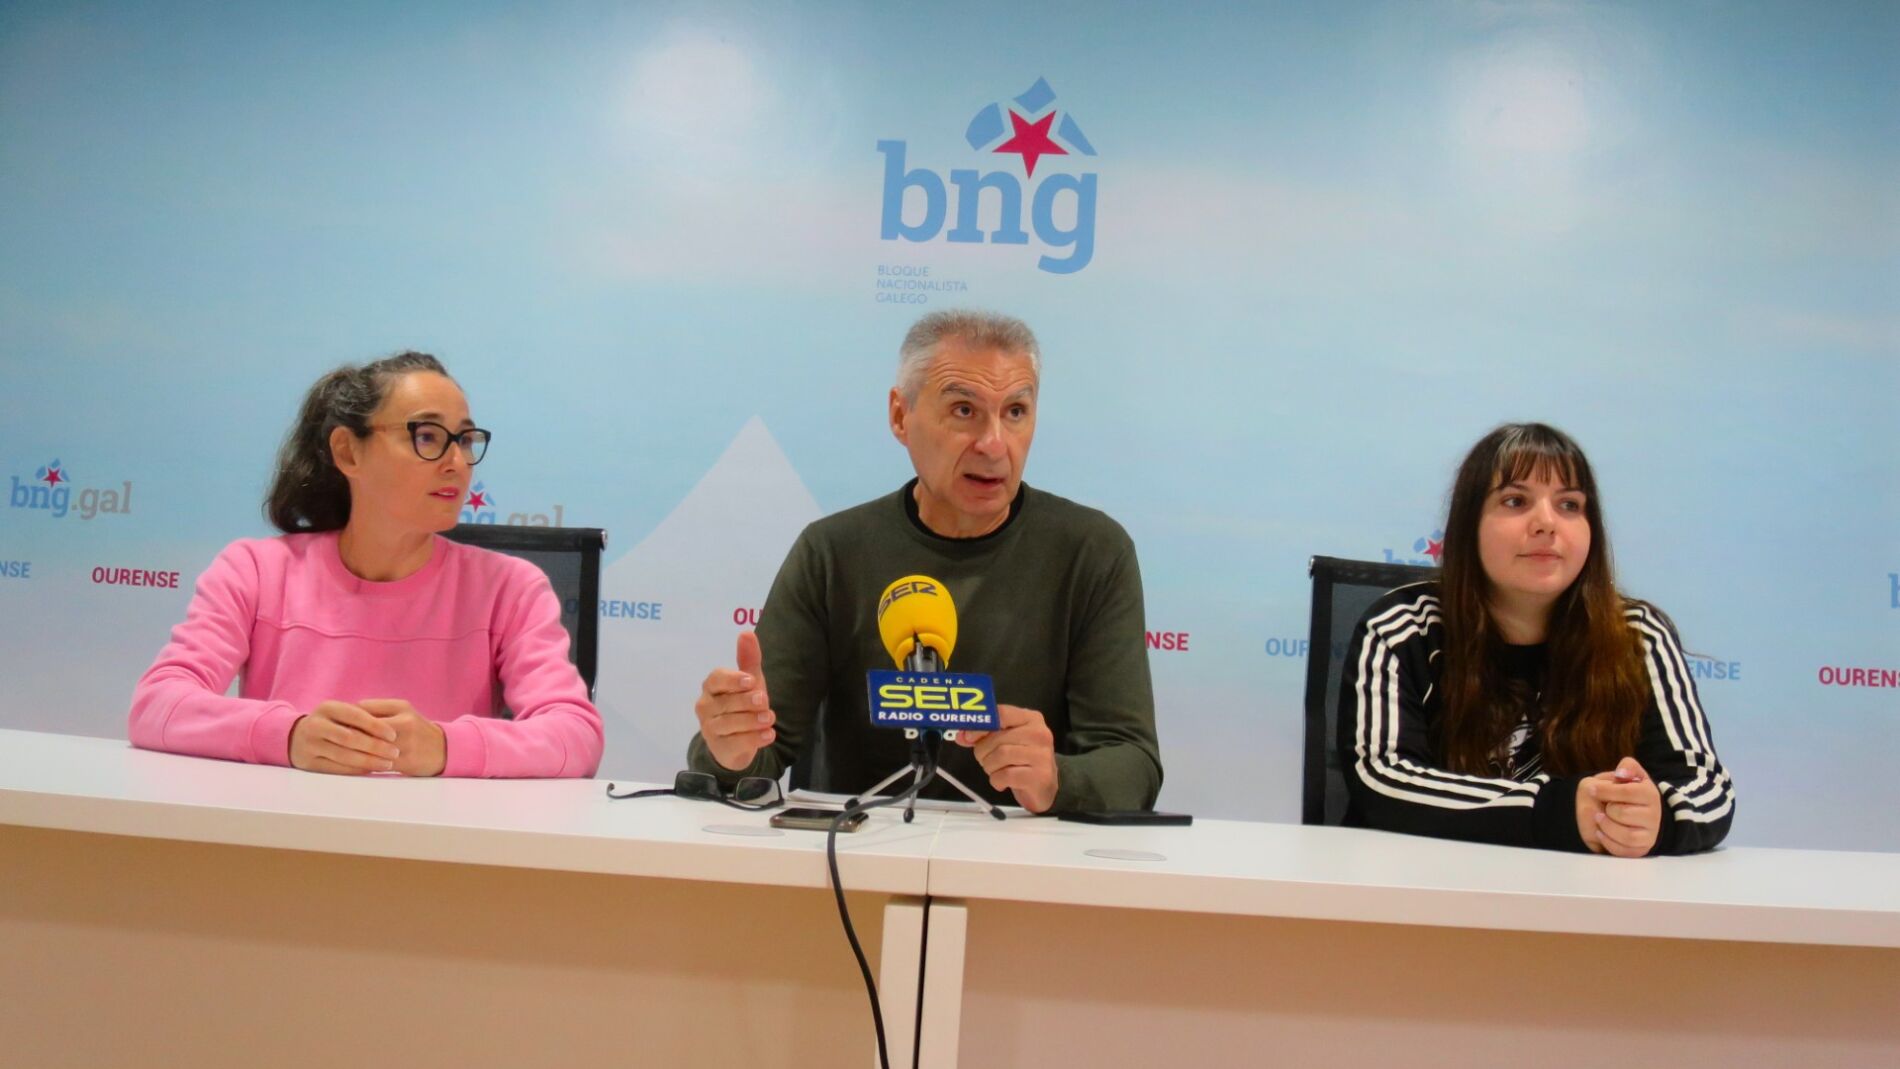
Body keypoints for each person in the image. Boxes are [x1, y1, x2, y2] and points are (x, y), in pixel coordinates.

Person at [687, 310, 1161, 813]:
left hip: (1022, 850)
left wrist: (1057, 779)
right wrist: (730, 748)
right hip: (854, 847)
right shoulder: (832, 552)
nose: (994, 444)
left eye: (1016, 412)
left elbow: (1133, 765)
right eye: (964, 410)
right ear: (900, 416)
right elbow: (754, 756)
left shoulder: (1092, 553)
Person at [128, 351, 603, 778]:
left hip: (437, 836)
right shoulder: (255, 570)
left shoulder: (509, 587)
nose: (457, 462)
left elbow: (576, 735)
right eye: (427, 436)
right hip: (281, 829)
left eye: (464, 440)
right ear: (348, 452)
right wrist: (289, 736)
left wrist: (444, 746)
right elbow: (157, 705)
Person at [1341, 422, 1734, 855]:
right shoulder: (1403, 626)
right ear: (1469, 524)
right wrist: (1556, 812)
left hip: (1582, 891)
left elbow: (1707, 788)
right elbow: (1382, 779)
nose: (1547, 523)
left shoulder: (1638, 635)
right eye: (1515, 501)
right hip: (1427, 883)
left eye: (1569, 505)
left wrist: (1659, 817)